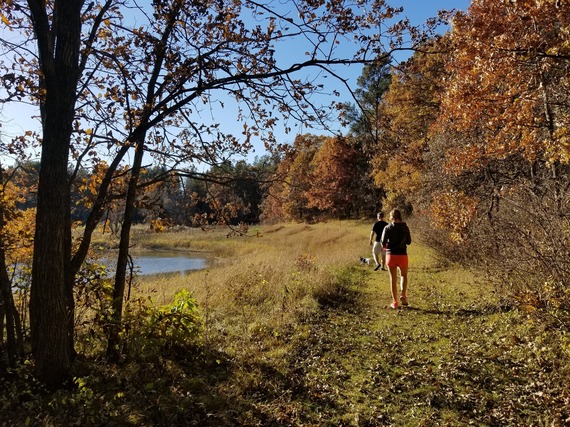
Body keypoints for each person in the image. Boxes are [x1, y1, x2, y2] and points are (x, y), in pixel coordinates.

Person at [381, 209, 412, 309]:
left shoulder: (387, 227)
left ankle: (395, 302)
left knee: (393, 279)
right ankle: (403, 295)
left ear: (391, 217)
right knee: (403, 275)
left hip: (391, 255)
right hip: (402, 255)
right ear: (400, 216)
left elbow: (383, 242)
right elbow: (409, 242)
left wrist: (389, 245)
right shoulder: (405, 227)